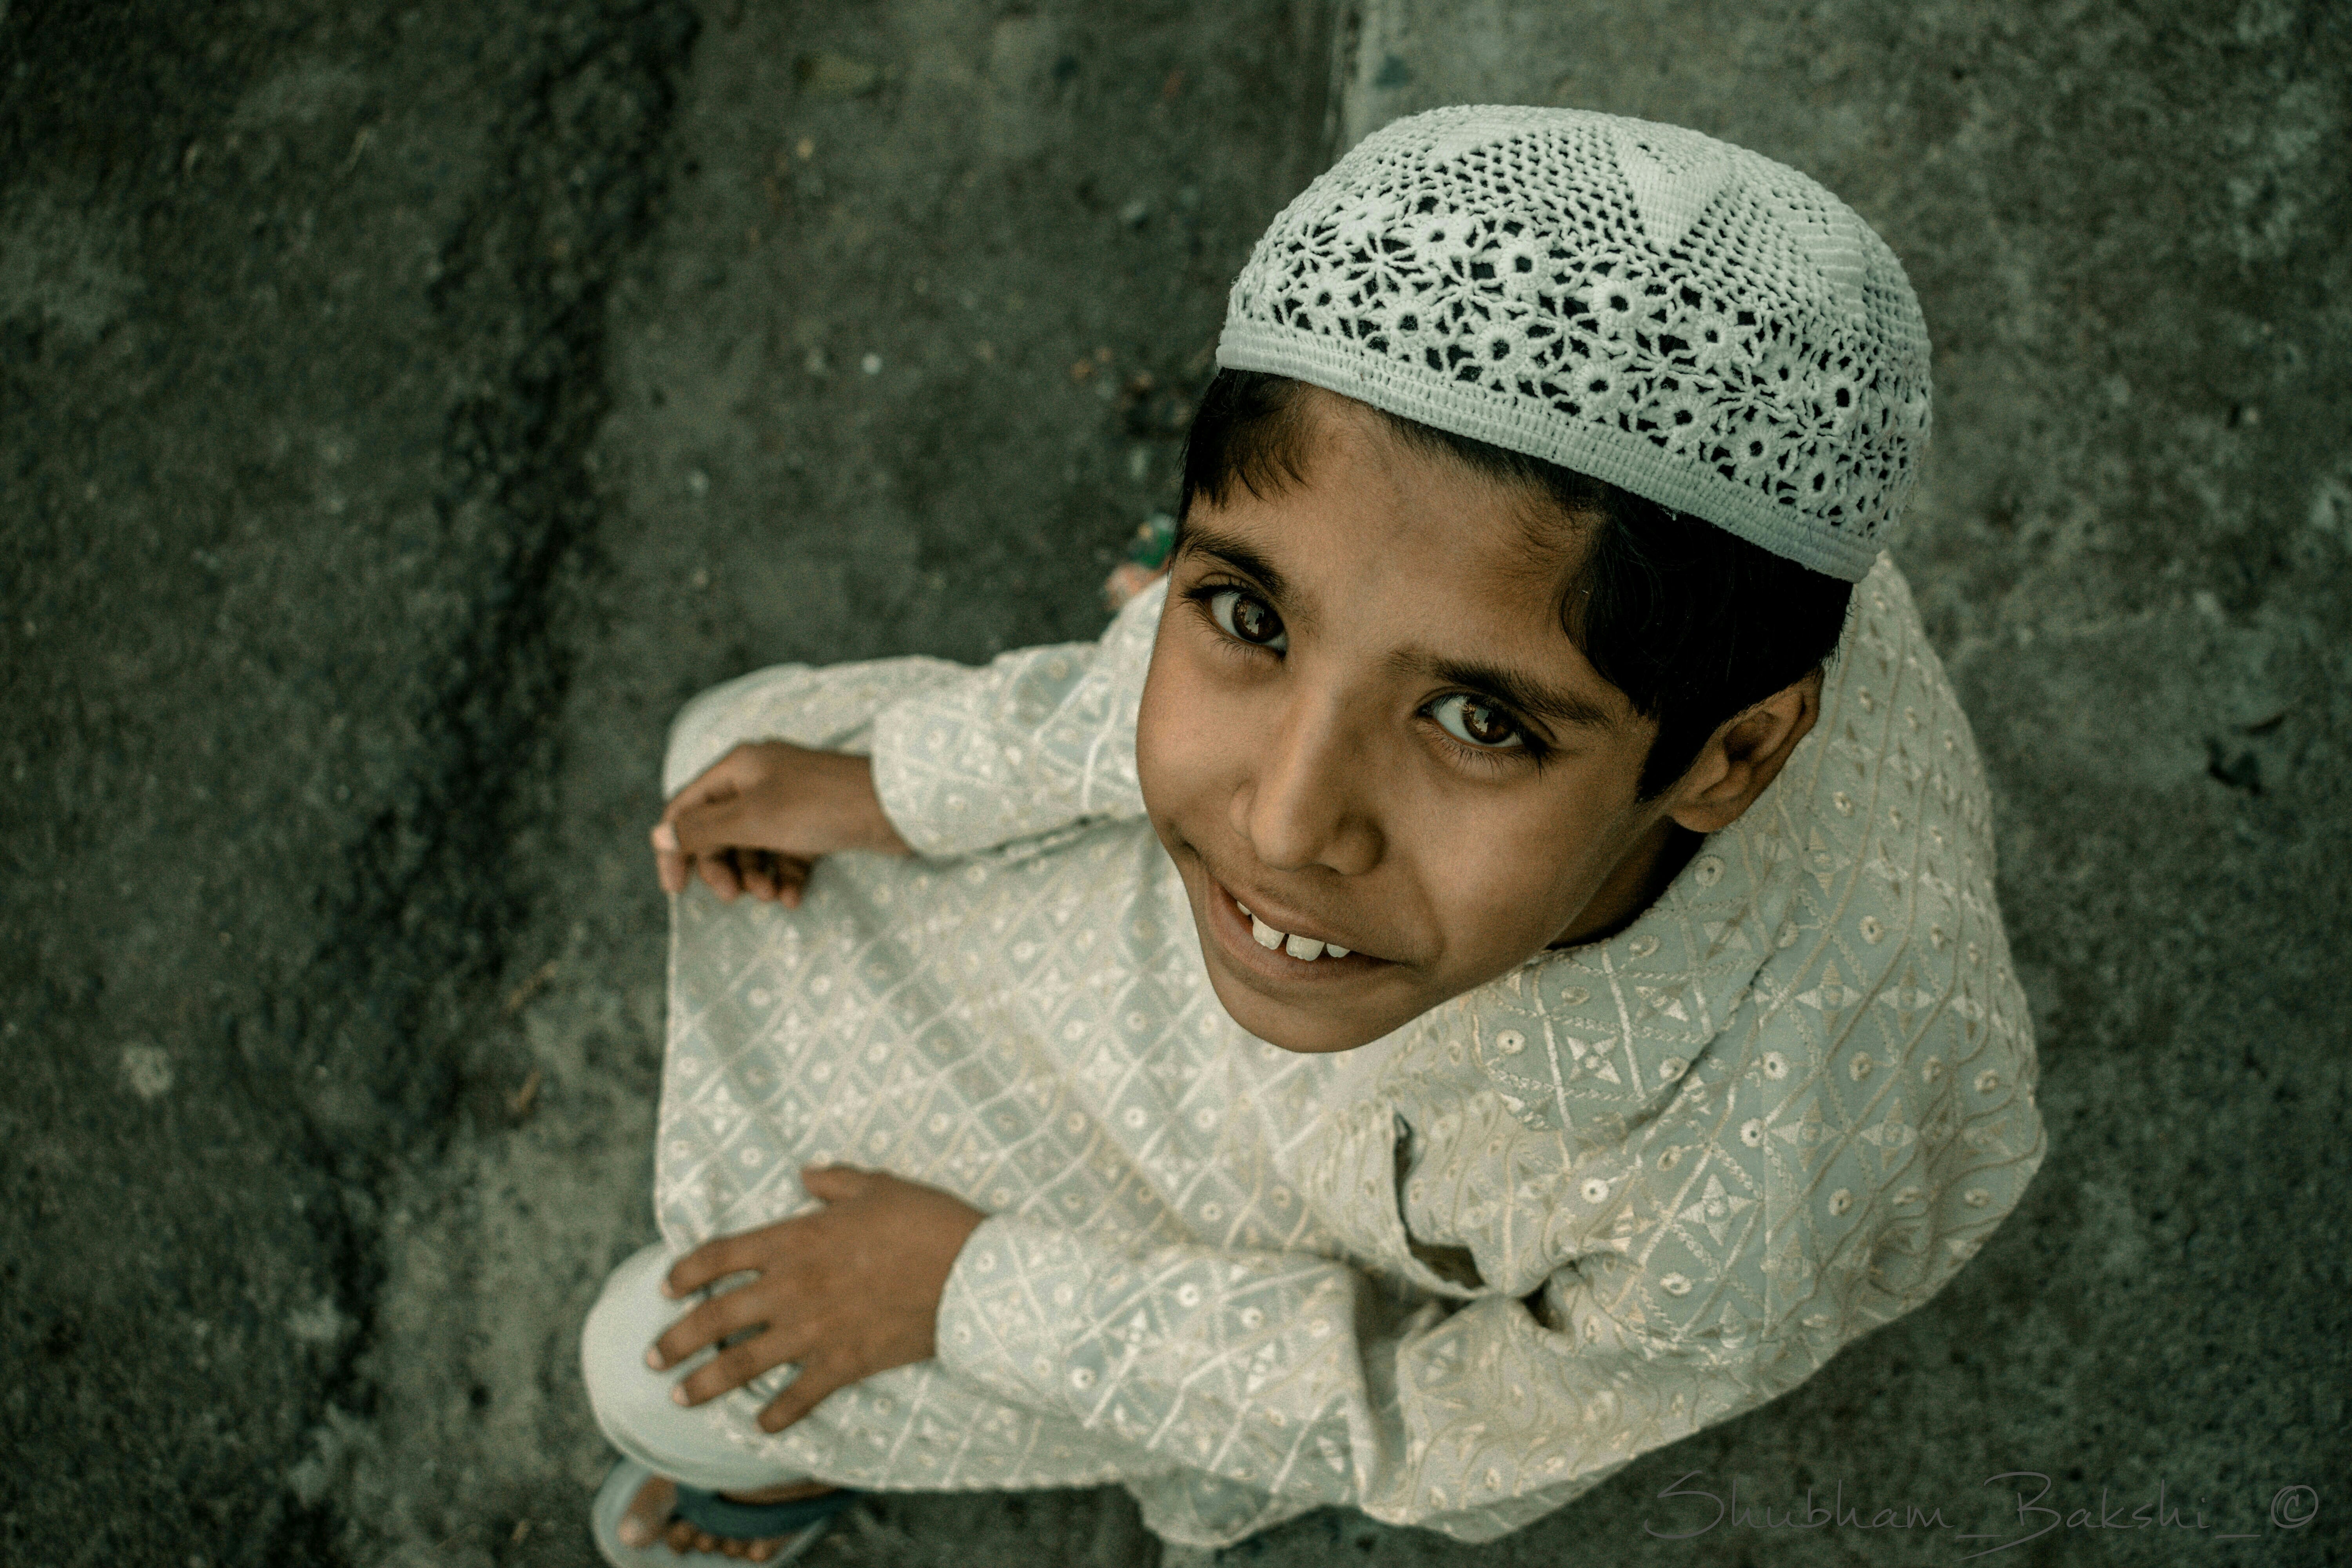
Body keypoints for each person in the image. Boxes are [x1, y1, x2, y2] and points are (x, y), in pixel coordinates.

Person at [578, 104, 2047, 1564]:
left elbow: (1457, 1426)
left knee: (656, 1361)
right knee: (730, 756)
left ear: (1734, 755)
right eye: (1249, 615)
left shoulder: (1756, 1176)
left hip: (1294, 1214)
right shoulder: (1693, 543)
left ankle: (759, 1488)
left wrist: (969, 1292)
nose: (1284, 824)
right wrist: (906, 784)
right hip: (1274, 1007)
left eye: (1479, 722)